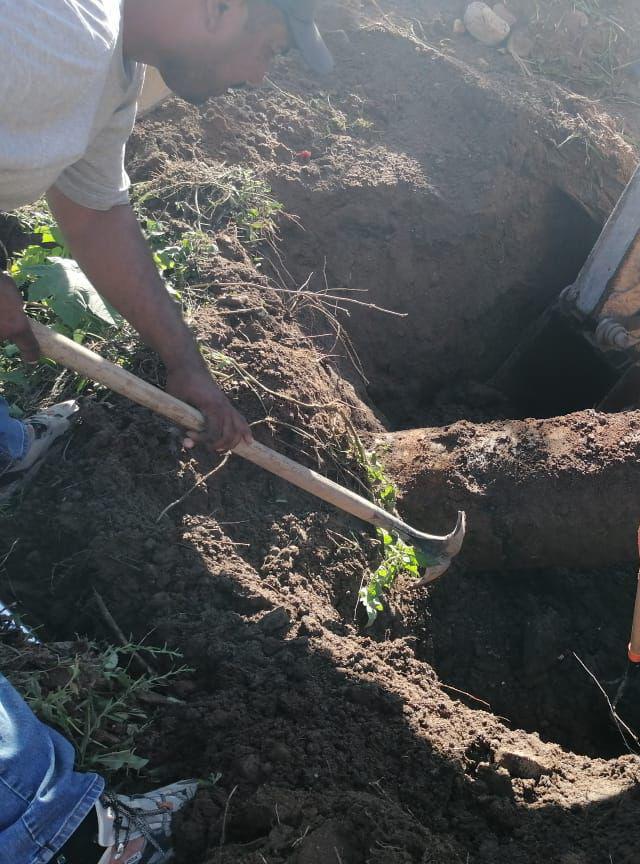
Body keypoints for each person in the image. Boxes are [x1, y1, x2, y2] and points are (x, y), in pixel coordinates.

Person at [0, 1, 333, 861]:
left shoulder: (107, 73)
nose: (261, 75)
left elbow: (97, 212)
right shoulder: (58, 35)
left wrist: (184, 365)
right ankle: (52, 830)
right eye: (269, 46)